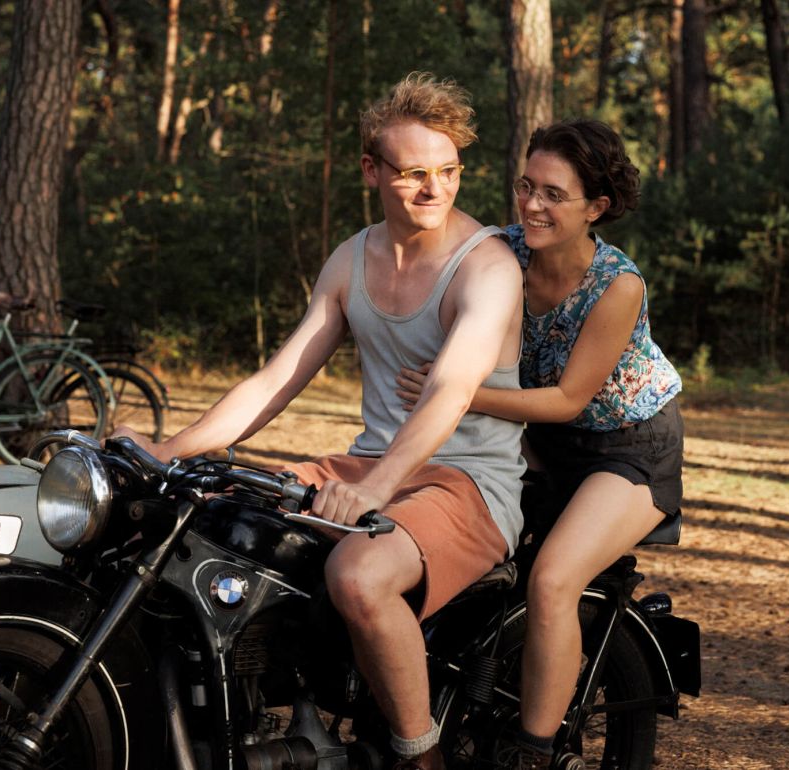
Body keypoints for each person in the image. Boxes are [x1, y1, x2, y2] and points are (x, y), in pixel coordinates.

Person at [113, 72, 527, 770]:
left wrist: (377, 488)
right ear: (372, 169)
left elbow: (451, 392)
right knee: (203, 520)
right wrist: (167, 449)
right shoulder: (352, 259)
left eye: (450, 171)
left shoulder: (485, 267)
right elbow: (276, 380)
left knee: (359, 576)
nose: (436, 190)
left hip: (466, 482)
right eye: (415, 173)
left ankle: (420, 756)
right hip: (371, 465)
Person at [396, 119, 683, 769]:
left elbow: (568, 400)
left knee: (553, 578)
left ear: (596, 208)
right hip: (540, 442)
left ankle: (536, 751)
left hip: (629, 446)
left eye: (554, 194)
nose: (531, 204)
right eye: (527, 186)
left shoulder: (618, 285)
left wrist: (455, 391)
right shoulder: (505, 252)